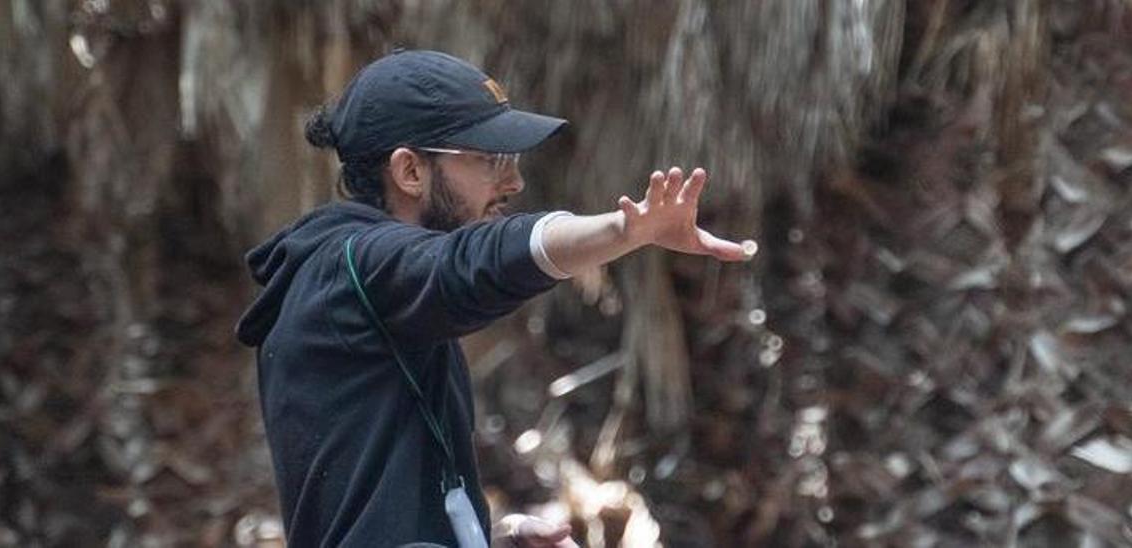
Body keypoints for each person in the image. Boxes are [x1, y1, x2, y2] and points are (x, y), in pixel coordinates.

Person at [235, 49, 753, 548]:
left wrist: (484, 537)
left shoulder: (364, 282)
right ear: (410, 171)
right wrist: (623, 229)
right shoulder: (356, 264)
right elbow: (473, 263)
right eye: (489, 159)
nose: (514, 180)